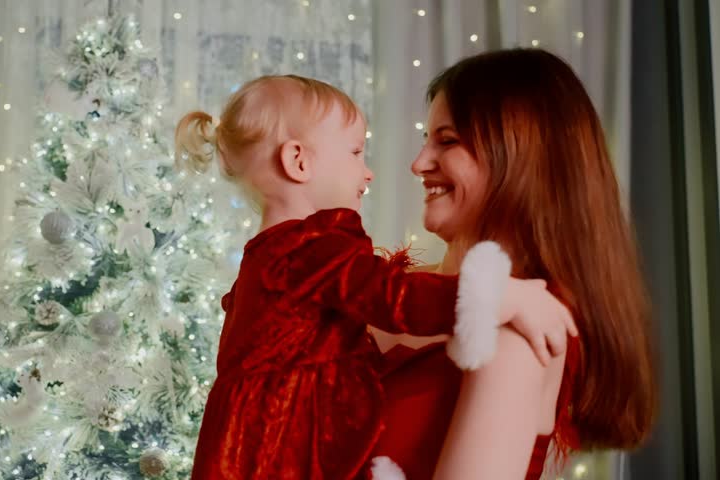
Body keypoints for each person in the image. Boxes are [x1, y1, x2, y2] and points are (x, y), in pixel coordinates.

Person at [174, 74, 576, 479]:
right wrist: (500, 296)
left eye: (447, 140)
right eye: (355, 153)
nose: (375, 172)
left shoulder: (271, 258)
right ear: (299, 161)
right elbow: (398, 298)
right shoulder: (314, 251)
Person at [371, 48, 658, 480]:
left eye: (447, 141)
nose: (419, 164)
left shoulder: (518, 334)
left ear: (521, 157)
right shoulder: (389, 289)